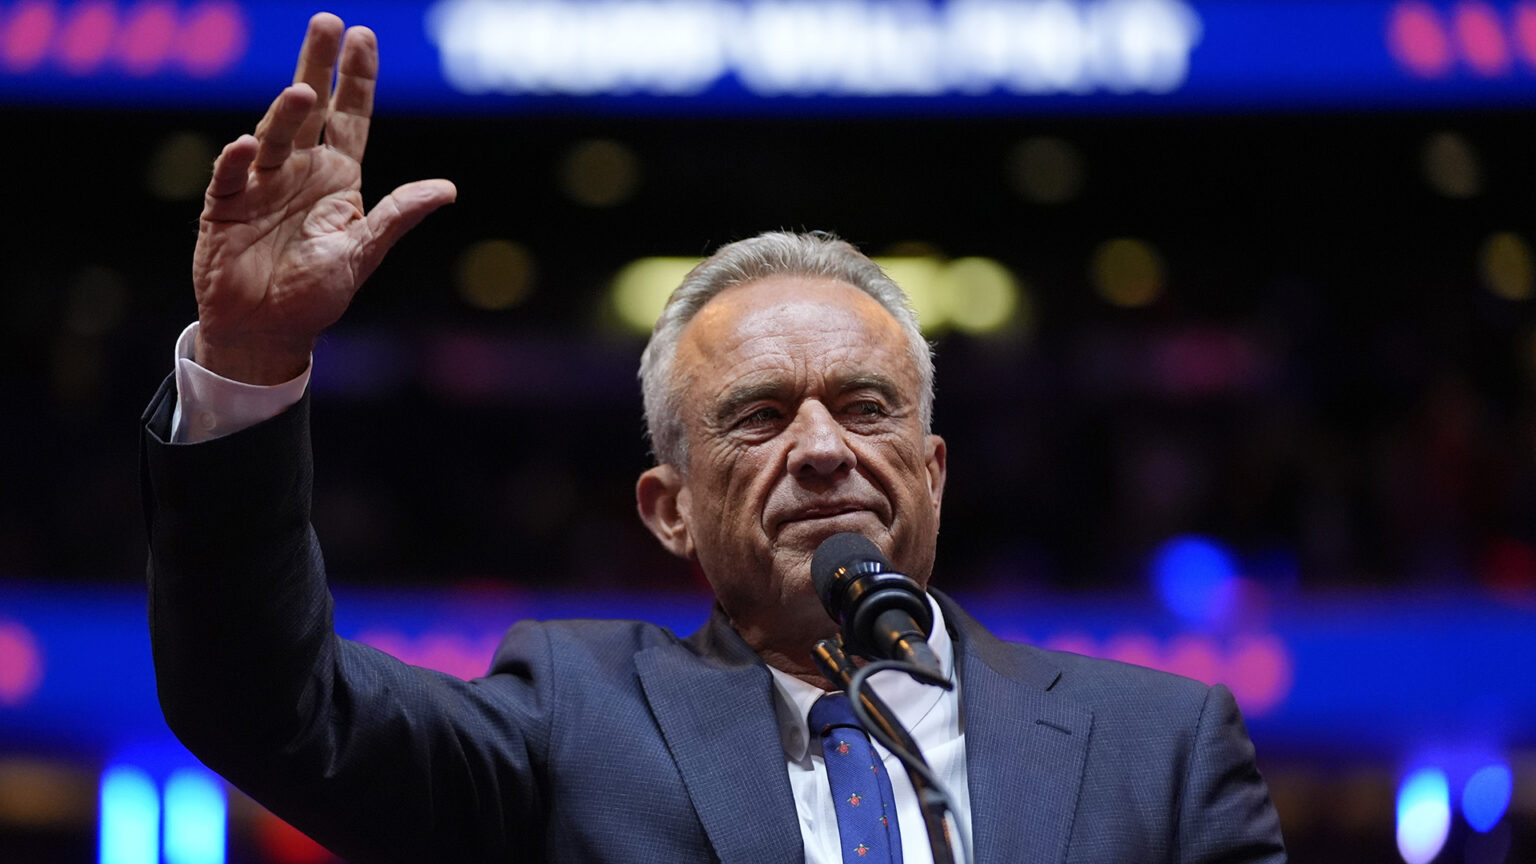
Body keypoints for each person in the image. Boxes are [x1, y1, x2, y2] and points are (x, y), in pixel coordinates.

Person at [142, 13, 1287, 864]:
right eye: (758, 416)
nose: (826, 447)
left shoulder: (1163, 748)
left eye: (868, 405)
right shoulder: (572, 722)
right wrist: (251, 358)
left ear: (933, 472)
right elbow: (265, 705)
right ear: (668, 506)